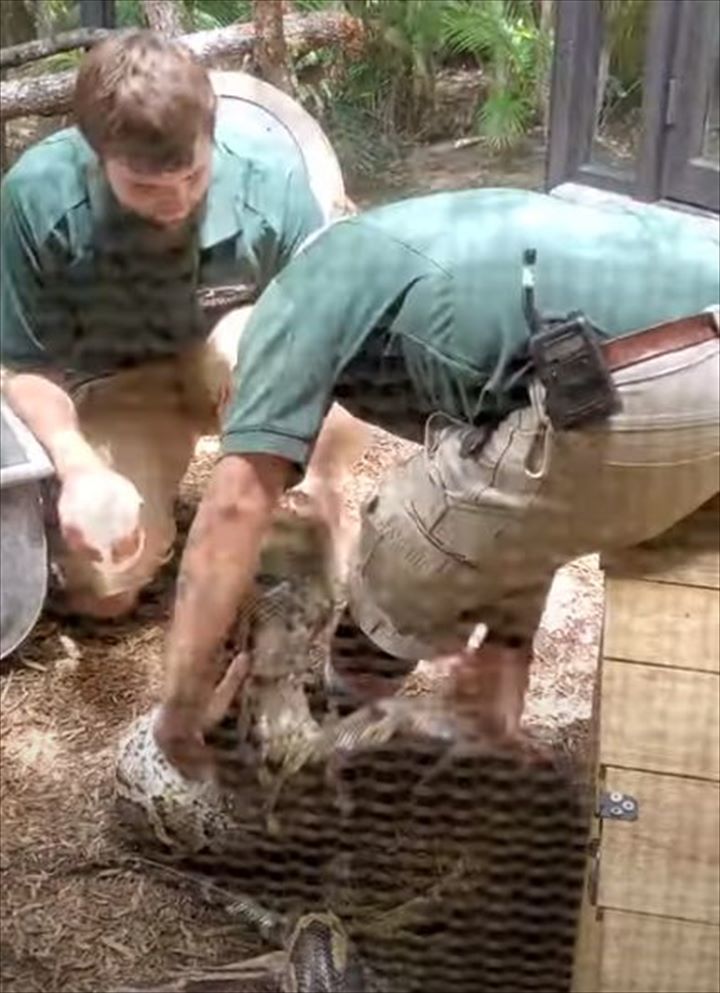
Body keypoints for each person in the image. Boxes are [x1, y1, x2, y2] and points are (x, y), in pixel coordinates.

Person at [151, 187, 719, 778]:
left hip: (661, 371)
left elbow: (235, 507)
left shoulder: (293, 308)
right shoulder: (430, 248)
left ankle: (341, 757)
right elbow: (531, 471)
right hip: (684, 331)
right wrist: (508, 646)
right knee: (473, 488)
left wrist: (180, 708)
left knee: (402, 551)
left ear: (232, 390)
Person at [0, 29, 366, 622]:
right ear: (96, 158)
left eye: (193, 177)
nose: (175, 201)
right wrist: (78, 467)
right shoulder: (34, 197)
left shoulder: (269, 176)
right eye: (145, 186)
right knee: (102, 587)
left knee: (256, 335)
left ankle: (287, 498)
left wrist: (325, 477)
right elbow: (28, 363)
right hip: (119, 382)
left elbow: (340, 333)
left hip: (235, 362)